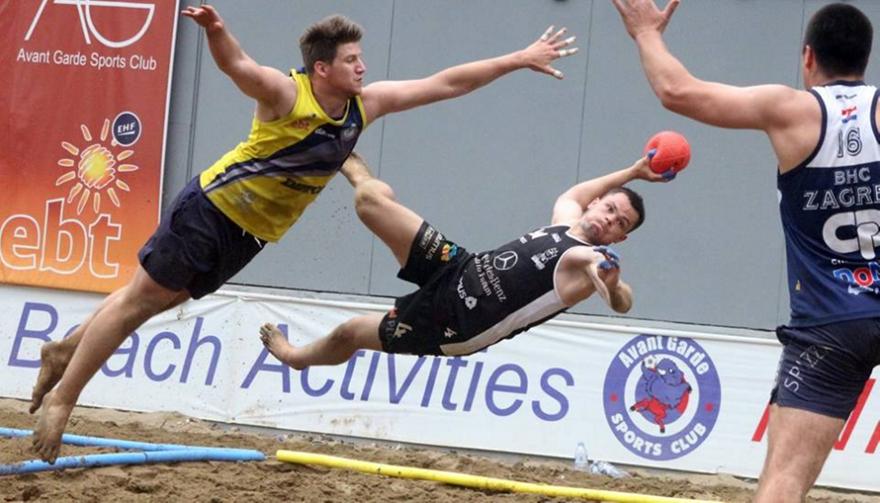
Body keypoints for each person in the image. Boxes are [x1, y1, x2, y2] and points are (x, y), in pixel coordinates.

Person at [29, 4, 580, 463]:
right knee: (137, 304)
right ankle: (65, 399)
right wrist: (219, 33)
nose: (363, 67)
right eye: (351, 60)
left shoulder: (364, 107)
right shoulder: (286, 95)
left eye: (361, 58)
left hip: (249, 234)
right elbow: (239, 67)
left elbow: (445, 84)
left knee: (152, 301)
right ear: (322, 69)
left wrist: (518, 59)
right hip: (211, 209)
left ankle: (63, 351)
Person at [613, 1, 878, 501]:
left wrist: (647, 33)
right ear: (866, 58)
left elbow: (678, 92)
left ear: (807, 57)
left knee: (784, 482)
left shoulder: (792, 110)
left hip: (831, 325)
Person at [259, 151, 668, 369]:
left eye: (620, 222)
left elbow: (621, 301)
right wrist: (631, 172)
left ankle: (296, 358)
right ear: (597, 204)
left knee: (349, 333)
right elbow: (577, 194)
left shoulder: (589, 260)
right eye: (610, 208)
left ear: (621, 237)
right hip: (458, 268)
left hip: (456, 323)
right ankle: (346, 158)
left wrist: (613, 284)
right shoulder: (566, 219)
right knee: (369, 201)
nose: (610, 219)